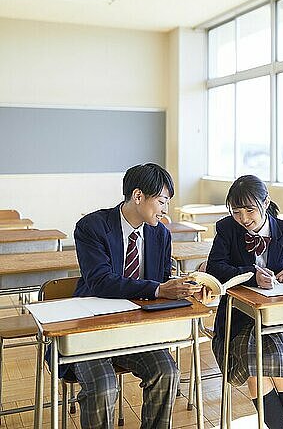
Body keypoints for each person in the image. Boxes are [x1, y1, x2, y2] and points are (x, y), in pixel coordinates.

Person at [68, 163, 200, 429]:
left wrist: (187, 285)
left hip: (136, 330)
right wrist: (159, 289)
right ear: (138, 196)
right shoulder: (92, 227)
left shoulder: (160, 233)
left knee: (168, 373)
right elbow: (99, 281)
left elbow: (161, 281)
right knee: (104, 387)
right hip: (91, 331)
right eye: (162, 201)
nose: (166, 210)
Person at [207, 175, 283, 429]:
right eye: (237, 212)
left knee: (280, 373)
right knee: (257, 373)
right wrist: (250, 273)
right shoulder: (227, 228)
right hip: (238, 320)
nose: (244, 218)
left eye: (250, 209)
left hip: (277, 320)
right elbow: (215, 268)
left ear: (265, 202)